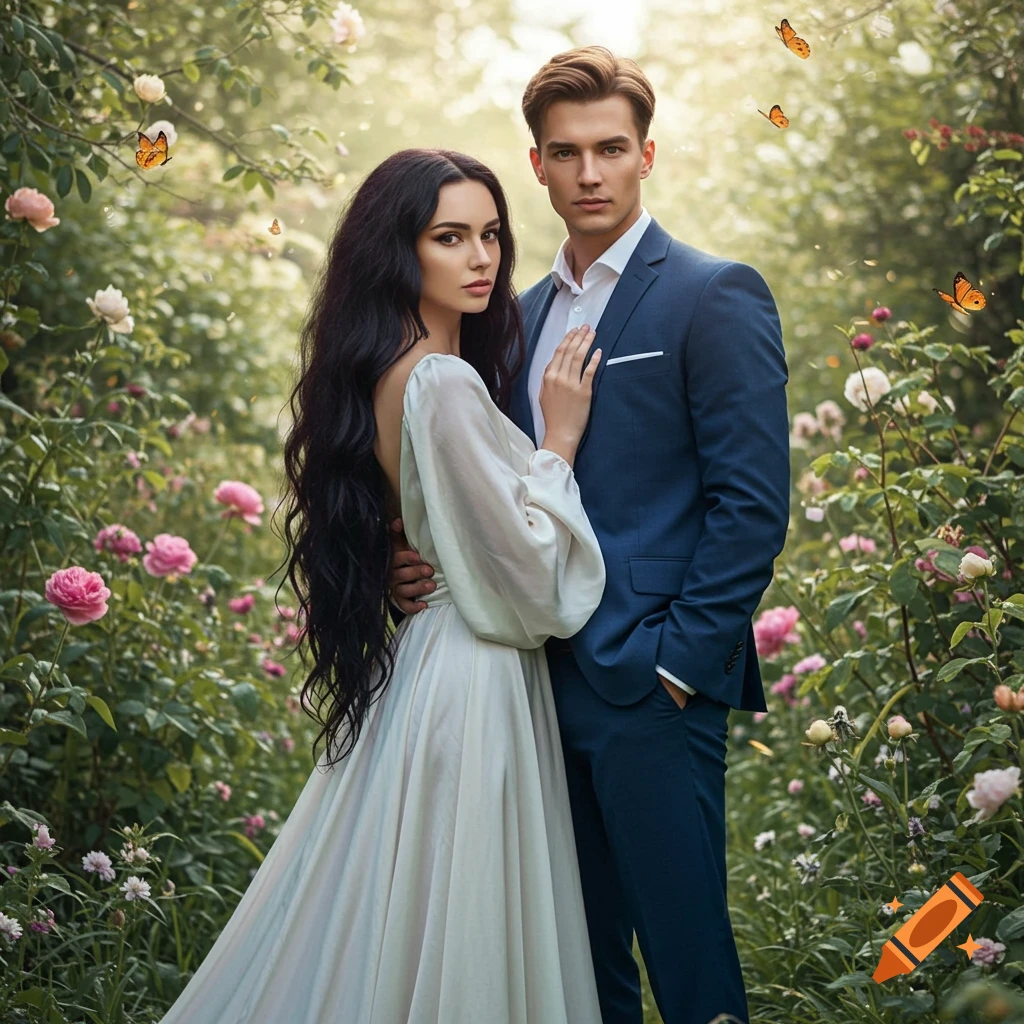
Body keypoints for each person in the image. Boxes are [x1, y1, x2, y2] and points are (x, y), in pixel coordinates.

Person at [156, 149, 610, 1023]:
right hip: (475, 672)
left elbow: (431, 528)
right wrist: (558, 440)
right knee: (462, 913)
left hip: (437, 659)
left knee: (415, 909)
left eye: (490, 235)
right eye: (449, 238)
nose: (481, 259)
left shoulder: (389, 369)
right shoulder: (439, 380)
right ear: (399, 254)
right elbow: (533, 585)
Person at [388, 45, 791, 1024]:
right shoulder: (507, 319)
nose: (590, 172)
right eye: (565, 153)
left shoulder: (712, 292)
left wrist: (677, 667)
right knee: (573, 969)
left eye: (611, 148)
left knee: (690, 961)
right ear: (536, 166)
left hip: (650, 686)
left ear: (646, 154)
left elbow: (751, 503)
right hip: (524, 685)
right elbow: (485, 485)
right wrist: (419, 566)